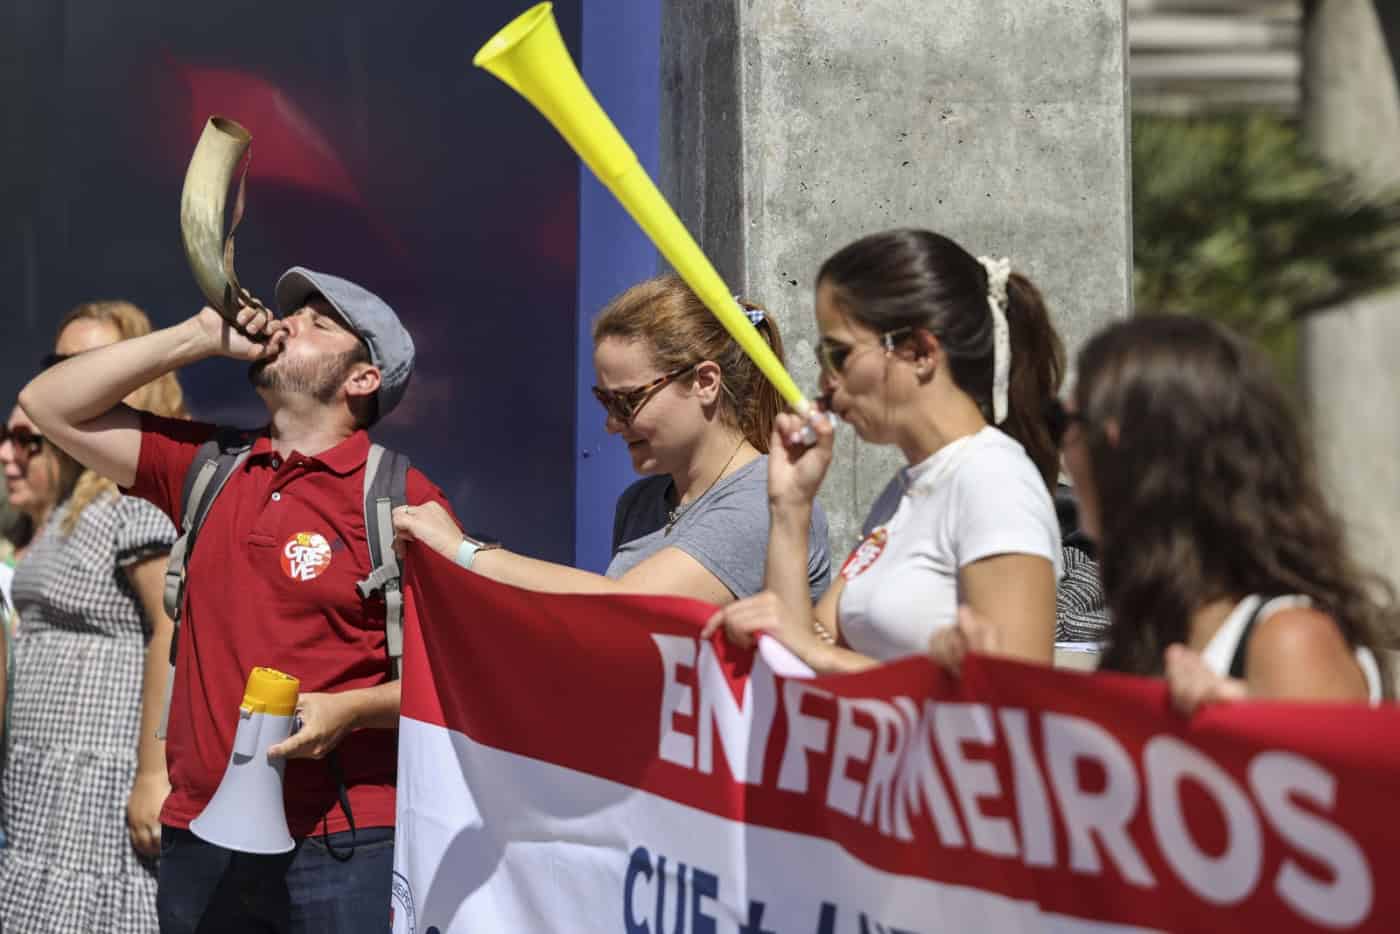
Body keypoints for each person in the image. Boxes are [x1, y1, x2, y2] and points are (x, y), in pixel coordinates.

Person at [19, 268, 456, 933]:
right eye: (292, 313)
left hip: (340, 842)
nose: (287, 324)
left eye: (319, 322)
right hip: (202, 834)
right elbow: (48, 404)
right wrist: (196, 336)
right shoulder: (208, 465)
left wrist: (353, 708)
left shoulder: (402, 499)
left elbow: (455, 678)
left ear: (362, 379)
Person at [703, 229, 1065, 672]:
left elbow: (1014, 697)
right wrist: (790, 506)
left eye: (839, 355)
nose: (825, 384)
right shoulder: (907, 491)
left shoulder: (995, 480)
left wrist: (816, 652)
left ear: (918, 352)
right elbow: (796, 648)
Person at [393, 273, 831, 603]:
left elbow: (622, 609)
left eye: (627, 402)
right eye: (604, 402)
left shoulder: (766, 500)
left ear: (705, 382)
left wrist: (463, 552)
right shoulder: (642, 503)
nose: (611, 424)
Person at [1049, 314, 1392, 711]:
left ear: (1120, 448)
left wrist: (1237, 725)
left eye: (1066, 423)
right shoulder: (1156, 622)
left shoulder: (1289, 641)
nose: (1062, 449)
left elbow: (1337, 771)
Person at [0, 300, 188, 932]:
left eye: (94, 364)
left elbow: (173, 621)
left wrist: (153, 772)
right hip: (42, 773)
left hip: (100, 774)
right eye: (60, 365)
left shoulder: (131, 496)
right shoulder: (69, 495)